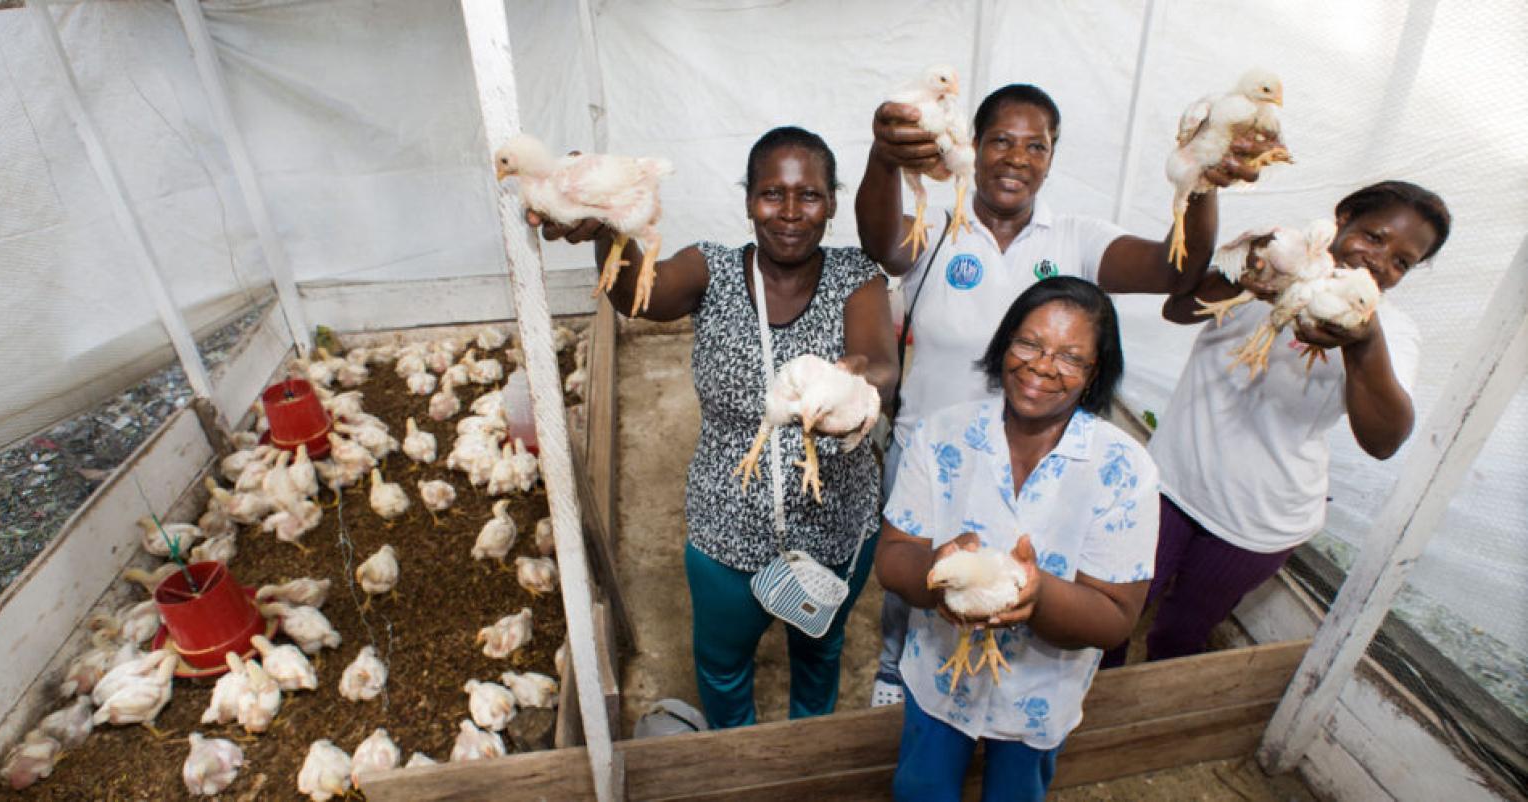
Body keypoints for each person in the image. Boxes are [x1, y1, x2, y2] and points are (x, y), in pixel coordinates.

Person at [856, 83, 1263, 706]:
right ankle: (895, 669)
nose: (1016, 158)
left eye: (1035, 146)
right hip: (930, 456)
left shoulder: (1075, 238)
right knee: (919, 576)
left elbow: (1174, 271)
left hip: (1034, 467)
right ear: (974, 145)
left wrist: (1200, 184)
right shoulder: (937, 227)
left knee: (1014, 584)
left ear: (1051, 157)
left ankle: (1007, 702)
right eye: (1000, 141)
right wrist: (884, 159)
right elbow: (879, 241)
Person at [527, 126, 898, 728]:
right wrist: (610, 225)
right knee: (723, 665)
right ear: (748, 199)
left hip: (836, 524)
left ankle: (808, 747)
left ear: (832, 202)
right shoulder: (713, 268)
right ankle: (736, 759)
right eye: (772, 193)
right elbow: (638, 298)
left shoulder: (858, 276)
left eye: (809, 196)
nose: (790, 212)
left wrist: (852, 383)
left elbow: (880, 364)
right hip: (729, 526)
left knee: (820, 650)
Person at [1101, 181, 1451, 667]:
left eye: (1401, 262)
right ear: (1343, 216)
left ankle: (1143, 715)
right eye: (1374, 236)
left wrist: (1362, 344)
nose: (1380, 261)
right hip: (1173, 483)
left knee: (1181, 633)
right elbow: (1177, 309)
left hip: (1258, 521)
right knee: (1113, 610)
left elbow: (1384, 440)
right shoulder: (1272, 253)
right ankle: (1085, 707)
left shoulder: (1387, 328)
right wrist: (1244, 279)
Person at [875, 277, 1157, 802]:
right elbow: (892, 559)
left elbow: (1117, 616)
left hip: (1040, 691)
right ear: (1004, 343)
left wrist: (1037, 595)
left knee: (1016, 793)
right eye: (1028, 343)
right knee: (922, 788)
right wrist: (937, 572)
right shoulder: (943, 435)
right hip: (940, 673)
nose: (1043, 366)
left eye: (1071, 357)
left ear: (1096, 374)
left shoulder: (1123, 469)